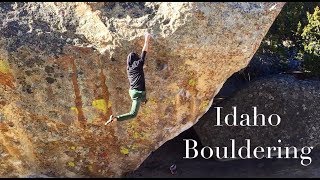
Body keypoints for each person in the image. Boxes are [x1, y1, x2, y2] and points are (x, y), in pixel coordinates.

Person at [105, 32, 152, 125]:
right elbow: (144, 51)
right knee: (133, 114)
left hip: (133, 91)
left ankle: (144, 100)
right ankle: (116, 118)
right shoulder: (138, 64)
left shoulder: (129, 68)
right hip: (137, 93)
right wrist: (147, 38)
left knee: (143, 96)